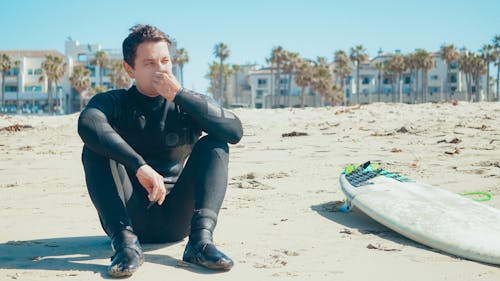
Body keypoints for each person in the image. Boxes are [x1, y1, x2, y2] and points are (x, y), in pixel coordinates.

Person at [77, 24, 243, 277]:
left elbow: (234, 131)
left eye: (165, 61)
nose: (160, 69)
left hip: (178, 219)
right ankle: (125, 247)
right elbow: (88, 124)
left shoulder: (187, 104)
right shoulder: (114, 102)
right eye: (149, 63)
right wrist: (140, 166)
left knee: (215, 143)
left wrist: (179, 95)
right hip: (128, 218)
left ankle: (201, 242)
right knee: (93, 149)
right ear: (129, 69)